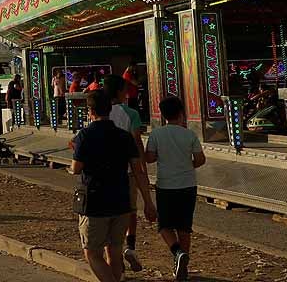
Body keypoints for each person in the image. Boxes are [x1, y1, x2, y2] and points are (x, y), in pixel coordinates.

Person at [70, 90, 155, 282]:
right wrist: (148, 202)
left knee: (92, 253)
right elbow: (138, 171)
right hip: (121, 199)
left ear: (90, 111)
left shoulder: (85, 135)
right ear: (110, 109)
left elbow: (76, 168)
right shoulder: (124, 137)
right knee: (115, 252)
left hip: (94, 201)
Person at [145, 95, 206, 281]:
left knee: (164, 225)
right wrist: (186, 166)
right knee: (184, 227)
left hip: (166, 185)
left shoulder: (156, 134)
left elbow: (149, 158)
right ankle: (183, 265)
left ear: (163, 115)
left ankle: (177, 253)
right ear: (181, 113)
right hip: (188, 185)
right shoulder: (190, 134)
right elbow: (200, 159)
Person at [102, 74, 150, 273]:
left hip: (103, 172)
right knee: (130, 211)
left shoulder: (100, 112)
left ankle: (113, 258)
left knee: (107, 214)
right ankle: (130, 247)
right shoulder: (131, 113)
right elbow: (137, 142)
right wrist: (143, 167)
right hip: (127, 171)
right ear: (121, 92)